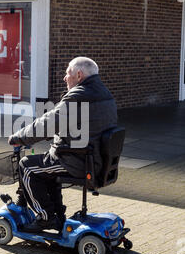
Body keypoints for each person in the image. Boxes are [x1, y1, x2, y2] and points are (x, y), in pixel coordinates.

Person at [8, 57, 117, 232]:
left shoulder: (79, 96)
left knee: (27, 167)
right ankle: (57, 213)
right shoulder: (104, 94)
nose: (65, 78)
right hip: (96, 159)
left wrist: (19, 137)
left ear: (79, 75)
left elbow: (48, 123)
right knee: (46, 168)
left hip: (78, 160)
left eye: (68, 73)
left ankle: (46, 218)